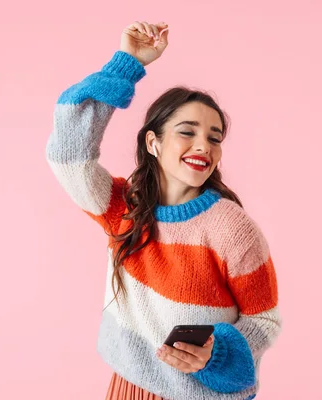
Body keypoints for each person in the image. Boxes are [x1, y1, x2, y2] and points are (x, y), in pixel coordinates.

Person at [45, 20, 282, 400]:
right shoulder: (123, 206)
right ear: (153, 143)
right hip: (127, 387)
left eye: (214, 138)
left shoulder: (233, 230)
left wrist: (216, 353)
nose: (203, 146)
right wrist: (126, 63)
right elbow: (68, 154)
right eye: (187, 131)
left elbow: (264, 319)